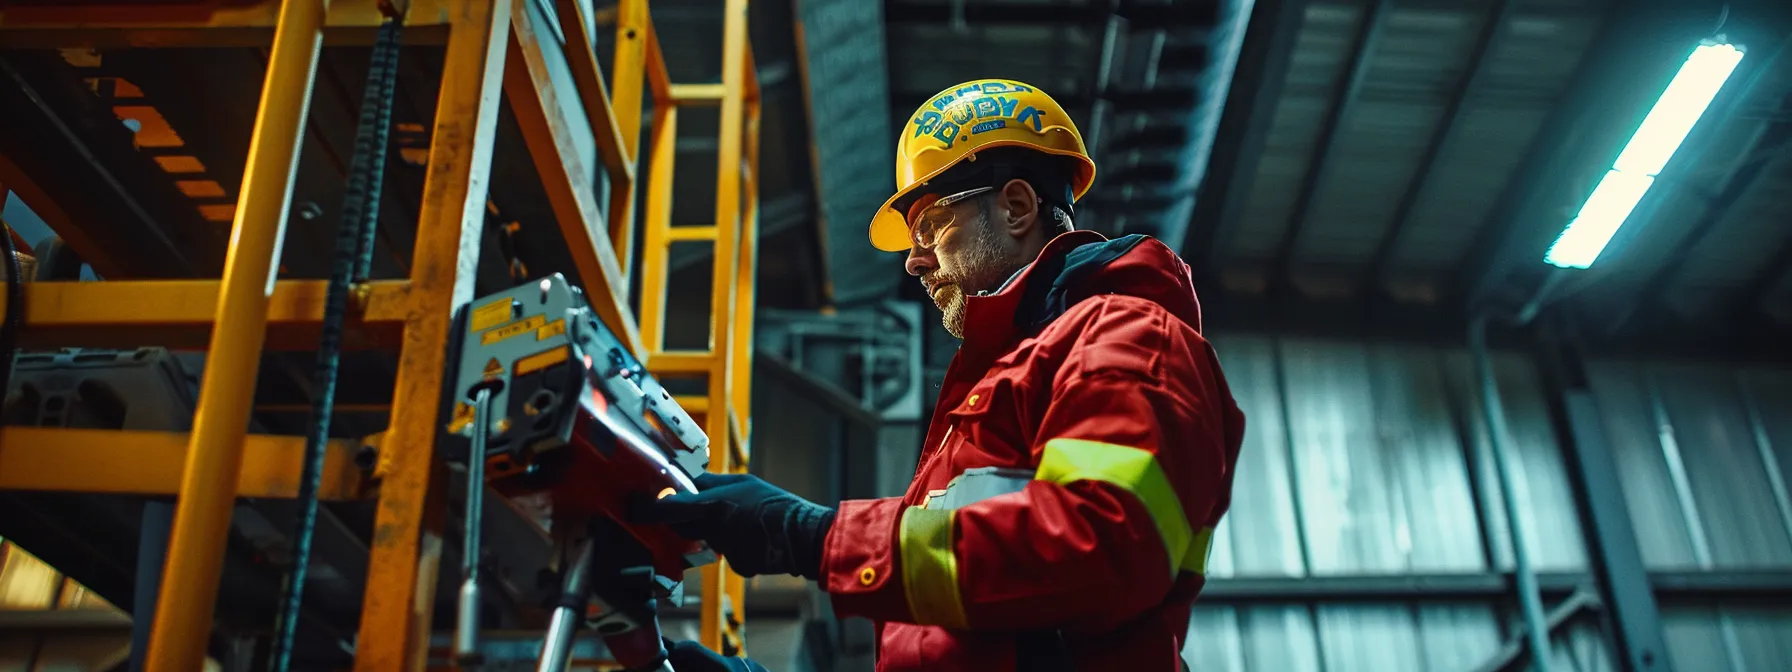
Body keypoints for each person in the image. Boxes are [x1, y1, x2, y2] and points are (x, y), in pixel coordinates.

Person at [638, 78, 1246, 671]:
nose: (913, 258)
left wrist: (813, 536)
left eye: (930, 224)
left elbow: (1105, 545)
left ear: (1016, 206)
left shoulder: (1125, 337)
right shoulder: (1008, 378)